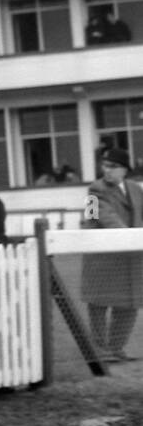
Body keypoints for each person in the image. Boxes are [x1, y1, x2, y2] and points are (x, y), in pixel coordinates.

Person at [82, 146, 143, 363]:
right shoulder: (95, 189)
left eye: (113, 166)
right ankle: (100, 351)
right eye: (104, 165)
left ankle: (117, 347)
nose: (107, 170)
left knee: (130, 303)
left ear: (125, 169)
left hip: (131, 257)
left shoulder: (136, 188)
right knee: (99, 304)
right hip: (103, 257)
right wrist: (131, 237)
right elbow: (103, 218)